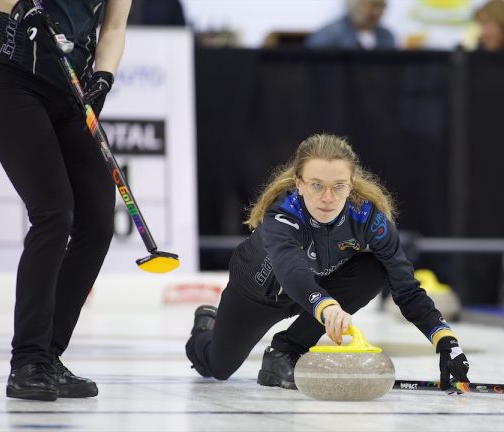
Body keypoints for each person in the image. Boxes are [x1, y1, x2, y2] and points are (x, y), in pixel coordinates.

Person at [186, 133, 470, 392]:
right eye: (317, 185)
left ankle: (286, 350)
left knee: (375, 268)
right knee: (218, 368)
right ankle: (204, 327)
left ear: (352, 184)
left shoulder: (370, 219)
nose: (327, 198)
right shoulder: (282, 216)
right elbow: (291, 269)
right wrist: (328, 306)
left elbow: (406, 288)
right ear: (299, 183)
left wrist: (445, 340)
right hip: (257, 294)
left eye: (338, 186)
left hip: (317, 290)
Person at [0, 0, 132, 401]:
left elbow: (113, 27)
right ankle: (27, 360)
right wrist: (17, 3)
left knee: (97, 223)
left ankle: (48, 355)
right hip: (15, 85)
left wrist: (104, 76)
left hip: (71, 94)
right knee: (53, 213)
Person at [305, 0, 395, 50]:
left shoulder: (387, 37)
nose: (377, 12)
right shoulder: (328, 36)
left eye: (382, 6)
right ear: (353, 4)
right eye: (372, 5)